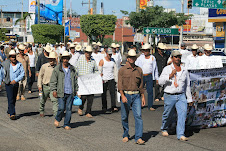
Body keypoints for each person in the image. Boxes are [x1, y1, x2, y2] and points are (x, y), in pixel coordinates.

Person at [159, 50, 193, 141]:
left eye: (179, 57)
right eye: (176, 57)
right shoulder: (167, 69)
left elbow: (187, 85)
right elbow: (160, 82)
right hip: (170, 95)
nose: (178, 58)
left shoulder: (184, 70)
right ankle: (164, 127)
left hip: (181, 95)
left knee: (182, 113)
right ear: (172, 58)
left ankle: (181, 134)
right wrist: (170, 76)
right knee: (167, 114)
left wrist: (189, 99)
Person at [118, 49, 145, 145]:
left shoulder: (139, 70)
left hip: (137, 95)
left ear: (135, 58)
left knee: (138, 116)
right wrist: (122, 95)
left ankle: (138, 137)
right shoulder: (122, 70)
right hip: (126, 94)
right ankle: (126, 134)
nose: (131, 59)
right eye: (130, 57)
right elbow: (120, 85)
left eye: (133, 57)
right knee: (124, 116)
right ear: (127, 58)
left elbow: (141, 85)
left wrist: (143, 97)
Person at [50, 51, 78, 130]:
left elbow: (75, 80)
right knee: (61, 108)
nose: (65, 60)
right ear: (62, 59)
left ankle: (67, 123)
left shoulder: (72, 69)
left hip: (70, 91)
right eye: (64, 58)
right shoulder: (57, 69)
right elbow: (53, 81)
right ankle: (58, 118)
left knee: (69, 109)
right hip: (61, 91)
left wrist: (76, 90)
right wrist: (54, 90)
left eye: (67, 58)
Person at [75, 46, 99, 118]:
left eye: (90, 52)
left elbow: (96, 70)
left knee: (90, 98)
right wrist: (76, 76)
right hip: (82, 81)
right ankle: (81, 108)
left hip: (90, 82)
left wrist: (98, 75)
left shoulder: (93, 61)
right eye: (87, 52)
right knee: (83, 97)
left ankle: (88, 111)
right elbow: (76, 68)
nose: (88, 54)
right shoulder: (80, 59)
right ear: (85, 52)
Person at [1, 50, 25, 120]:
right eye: (12, 57)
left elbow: (22, 74)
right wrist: (2, 81)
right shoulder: (6, 64)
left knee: (13, 98)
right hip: (8, 84)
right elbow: (2, 73)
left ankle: (9, 110)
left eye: (14, 57)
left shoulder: (19, 64)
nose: (13, 58)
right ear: (9, 58)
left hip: (16, 83)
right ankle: (12, 113)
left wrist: (16, 80)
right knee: (10, 98)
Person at [135, 43, 159, 111]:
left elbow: (155, 68)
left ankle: (150, 105)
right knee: (139, 91)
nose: (145, 52)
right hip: (142, 76)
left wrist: (157, 78)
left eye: (146, 50)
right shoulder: (140, 58)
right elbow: (136, 66)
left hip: (149, 76)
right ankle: (137, 105)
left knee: (150, 91)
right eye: (144, 50)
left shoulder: (152, 58)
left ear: (149, 50)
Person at [38, 52, 58, 117]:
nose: (51, 61)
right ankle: (41, 110)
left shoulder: (57, 68)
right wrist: (39, 85)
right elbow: (40, 76)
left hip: (53, 87)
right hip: (45, 86)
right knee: (43, 100)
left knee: (55, 100)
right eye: (50, 59)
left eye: (53, 59)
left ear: (55, 60)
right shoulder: (44, 66)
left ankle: (56, 113)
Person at [99, 49, 118, 113]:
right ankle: (104, 107)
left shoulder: (113, 60)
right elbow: (99, 70)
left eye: (111, 54)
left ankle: (113, 106)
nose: (110, 55)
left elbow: (115, 70)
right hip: (104, 80)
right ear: (106, 53)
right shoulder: (102, 61)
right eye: (109, 54)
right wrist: (100, 76)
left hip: (111, 79)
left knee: (113, 93)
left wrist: (116, 79)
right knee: (104, 94)